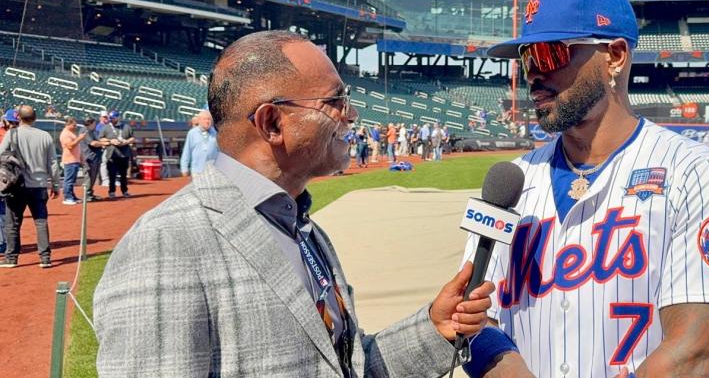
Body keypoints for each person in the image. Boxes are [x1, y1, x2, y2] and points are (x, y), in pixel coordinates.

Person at [94, 30, 495, 377]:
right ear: (271, 123)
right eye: (335, 101)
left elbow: (345, 366)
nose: (351, 114)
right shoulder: (167, 243)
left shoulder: (302, 227)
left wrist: (433, 327)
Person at [461, 0, 709, 378]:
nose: (534, 72)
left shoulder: (697, 172)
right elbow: (471, 318)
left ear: (615, 56)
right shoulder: (512, 181)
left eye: (549, 53)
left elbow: (701, 348)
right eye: (525, 57)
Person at [0, 106, 60, 269]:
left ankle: (11, 258)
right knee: (41, 221)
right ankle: (45, 258)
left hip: (17, 185)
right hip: (39, 185)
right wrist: (55, 184)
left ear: (19, 117)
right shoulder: (45, 136)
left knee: (12, 223)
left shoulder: (12, 134)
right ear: (35, 118)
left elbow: (0, 154)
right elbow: (53, 163)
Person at [100, 111, 135, 198]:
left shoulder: (126, 127)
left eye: (113, 118)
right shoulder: (106, 128)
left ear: (118, 117)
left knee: (123, 175)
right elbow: (100, 139)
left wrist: (126, 141)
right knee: (112, 175)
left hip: (124, 154)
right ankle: (112, 192)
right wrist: (111, 141)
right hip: (112, 154)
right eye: (110, 118)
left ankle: (125, 191)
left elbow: (132, 138)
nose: (111, 120)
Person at [0, 109, 19, 255]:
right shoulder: (20, 133)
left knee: (4, 212)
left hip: (6, 177)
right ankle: (10, 242)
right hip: (16, 177)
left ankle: (5, 243)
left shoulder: (7, 134)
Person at [180, 110, 219, 178]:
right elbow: (187, 152)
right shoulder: (192, 133)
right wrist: (184, 168)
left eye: (209, 119)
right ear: (199, 120)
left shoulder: (216, 132)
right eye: (205, 119)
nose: (207, 121)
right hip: (198, 171)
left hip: (213, 171)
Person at [59, 116, 86, 205]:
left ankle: (72, 196)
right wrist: (80, 138)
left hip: (75, 159)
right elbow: (70, 146)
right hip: (69, 160)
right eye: (74, 125)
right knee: (69, 180)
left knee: (72, 180)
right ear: (68, 124)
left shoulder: (71, 133)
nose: (76, 127)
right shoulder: (65, 134)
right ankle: (67, 197)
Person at [79, 118, 107, 201]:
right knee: (88, 177)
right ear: (90, 123)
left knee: (93, 177)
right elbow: (93, 143)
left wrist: (105, 141)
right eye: (94, 124)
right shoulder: (85, 130)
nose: (95, 125)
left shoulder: (92, 131)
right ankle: (87, 195)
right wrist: (104, 143)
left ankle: (90, 193)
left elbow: (97, 140)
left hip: (95, 157)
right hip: (88, 158)